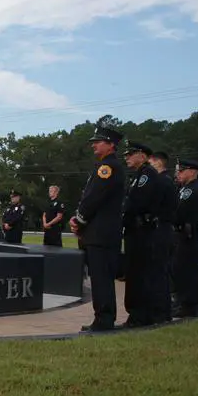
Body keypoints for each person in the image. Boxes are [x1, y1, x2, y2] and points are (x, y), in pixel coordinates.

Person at [69, 126, 126, 332]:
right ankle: (102, 318)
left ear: (111, 144)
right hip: (100, 232)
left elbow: (94, 198)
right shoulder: (104, 166)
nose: (94, 144)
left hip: (101, 232)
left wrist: (79, 220)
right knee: (100, 279)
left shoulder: (108, 168)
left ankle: (104, 321)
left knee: (102, 279)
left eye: (99, 141)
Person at [122, 141, 170, 327]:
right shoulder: (139, 175)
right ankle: (138, 315)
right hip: (136, 230)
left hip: (142, 231)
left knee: (139, 274)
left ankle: (140, 316)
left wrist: (123, 210)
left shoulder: (147, 175)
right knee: (135, 273)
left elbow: (136, 203)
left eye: (130, 153)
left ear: (142, 155)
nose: (126, 157)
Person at [172, 159, 198, 318]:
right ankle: (181, 301)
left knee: (188, 270)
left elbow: (180, 211)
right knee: (179, 269)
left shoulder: (194, 190)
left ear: (193, 172)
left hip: (190, 234)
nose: (178, 174)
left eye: (182, 171)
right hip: (182, 234)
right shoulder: (184, 189)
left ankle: (188, 304)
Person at [149, 151, 179, 311]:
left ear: (158, 162)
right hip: (165, 228)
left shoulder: (162, 181)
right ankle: (163, 305)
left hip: (161, 227)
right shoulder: (167, 181)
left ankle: (161, 306)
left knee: (160, 268)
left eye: (151, 162)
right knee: (162, 268)